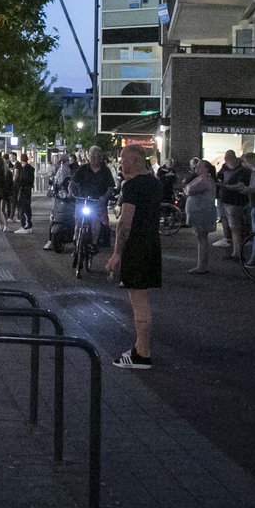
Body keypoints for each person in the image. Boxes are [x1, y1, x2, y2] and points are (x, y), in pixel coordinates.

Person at [108, 145, 163, 369]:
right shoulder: (155, 183)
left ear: (134, 161)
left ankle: (142, 354)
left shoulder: (131, 187)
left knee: (138, 301)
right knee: (142, 298)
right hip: (152, 244)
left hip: (136, 247)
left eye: (123, 159)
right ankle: (139, 347)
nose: (120, 163)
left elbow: (125, 223)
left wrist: (116, 253)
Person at [183, 158, 218, 273]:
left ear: (206, 169)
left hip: (202, 212)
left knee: (202, 238)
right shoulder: (199, 178)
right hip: (198, 211)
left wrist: (187, 189)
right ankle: (202, 264)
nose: (196, 167)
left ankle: (202, 265)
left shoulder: (205, 180)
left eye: (199, 166)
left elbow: (189, 190)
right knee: (200, 238)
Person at [215, 150, 249, 258]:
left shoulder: (242, 170)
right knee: (233, 226)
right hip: (226, 200)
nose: (226, 161)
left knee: (235, 227)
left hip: (235, 201)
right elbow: (219, 176)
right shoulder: (225, 167)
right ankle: (235, 251)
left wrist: (225, 186)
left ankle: (237, 252)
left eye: (228, 159)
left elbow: (240, 185)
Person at [14, 152, 36, 233]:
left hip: (24, 190)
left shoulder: (24, 169)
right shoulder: (31, 168)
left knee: (23, 208)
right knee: (27, 208)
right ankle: (29, 225)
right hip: (28, 190)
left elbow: (22, 180)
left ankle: (25, 226)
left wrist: (17, 186)